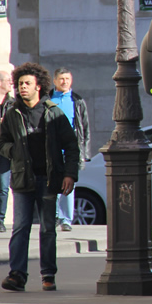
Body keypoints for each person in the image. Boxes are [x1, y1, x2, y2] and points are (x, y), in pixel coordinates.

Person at [0, 63, 80, 293]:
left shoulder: (53, 112)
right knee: (21, 227)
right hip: (22, 178)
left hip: (47, 179)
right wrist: (12, 151)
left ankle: (48, 275)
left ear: (38, 86)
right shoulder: (13, 113)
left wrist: (69, 175)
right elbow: (2, 142)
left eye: (27, 84)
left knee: (47, 229)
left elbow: (71, 146)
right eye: (20, 84)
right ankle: (17, 275)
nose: (22, 87)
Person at [50, 68, 90, 231]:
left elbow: (84, 129)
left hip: (70, 147)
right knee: (52, 182)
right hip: (51, 147)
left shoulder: (77, 101)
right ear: (55, 81)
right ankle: (54, 216)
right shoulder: (48, 98)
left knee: (68, 181)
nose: (64, 81)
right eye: (61, 78)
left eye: (67, 78)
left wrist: (84, 152)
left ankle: (66, 219)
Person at [0, 69, 13, 233]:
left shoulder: (13, 104)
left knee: (3, 186)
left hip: (4, 150)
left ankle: (0, 220)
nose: (11, 82)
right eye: (8, 80)